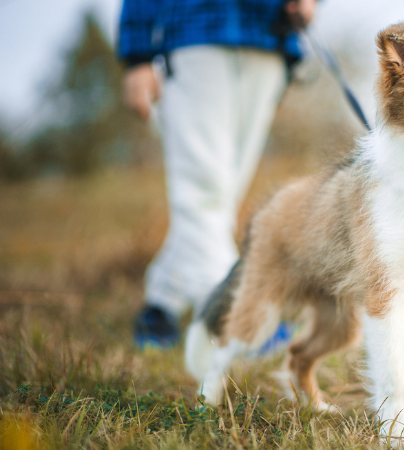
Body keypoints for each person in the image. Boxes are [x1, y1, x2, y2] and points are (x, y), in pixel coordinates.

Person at [117, 0, 316, 348]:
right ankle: (237, 322)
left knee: (220, 196)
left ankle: (162, 303)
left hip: (269, 39)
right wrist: (137, 55)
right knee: (204, 191)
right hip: (192, 32)